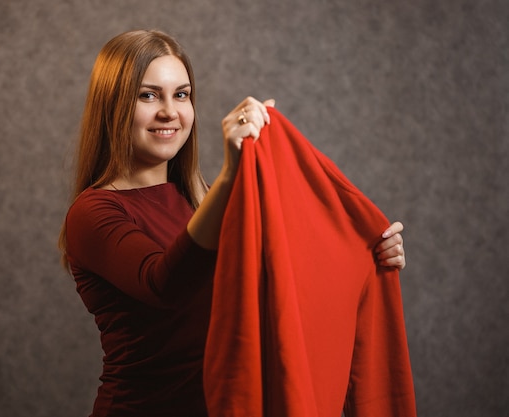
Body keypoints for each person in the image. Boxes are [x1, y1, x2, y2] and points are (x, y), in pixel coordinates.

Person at [59, 29, 406, 417]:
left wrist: (368, 255)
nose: (169, 112)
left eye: (182, 94)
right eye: (148, 95)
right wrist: (230, 176)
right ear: (113, 104)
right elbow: (164, 283)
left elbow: (288, 278)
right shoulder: (92, 213)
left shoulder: (205, 199)